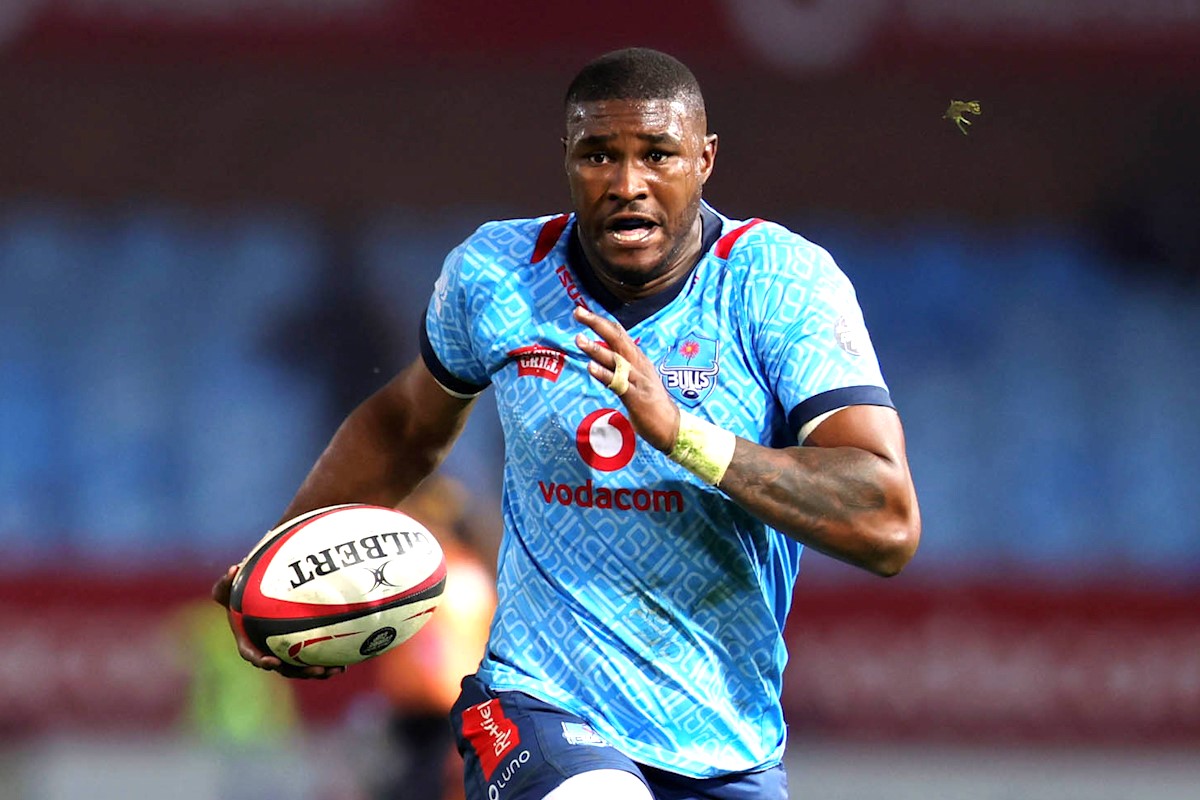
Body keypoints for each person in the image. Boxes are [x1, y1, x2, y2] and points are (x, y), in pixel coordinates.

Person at [213, 46, 920, 800]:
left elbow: (885, 521)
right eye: (598, 155)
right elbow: (403, 427)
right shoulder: (497, 274)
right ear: (566, 158)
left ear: (706, 159)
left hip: (727, 744)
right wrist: (285, 554)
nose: (626, 184)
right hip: (537, 703)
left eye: (657, 154)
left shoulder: (779, 284)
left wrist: (682, 434)